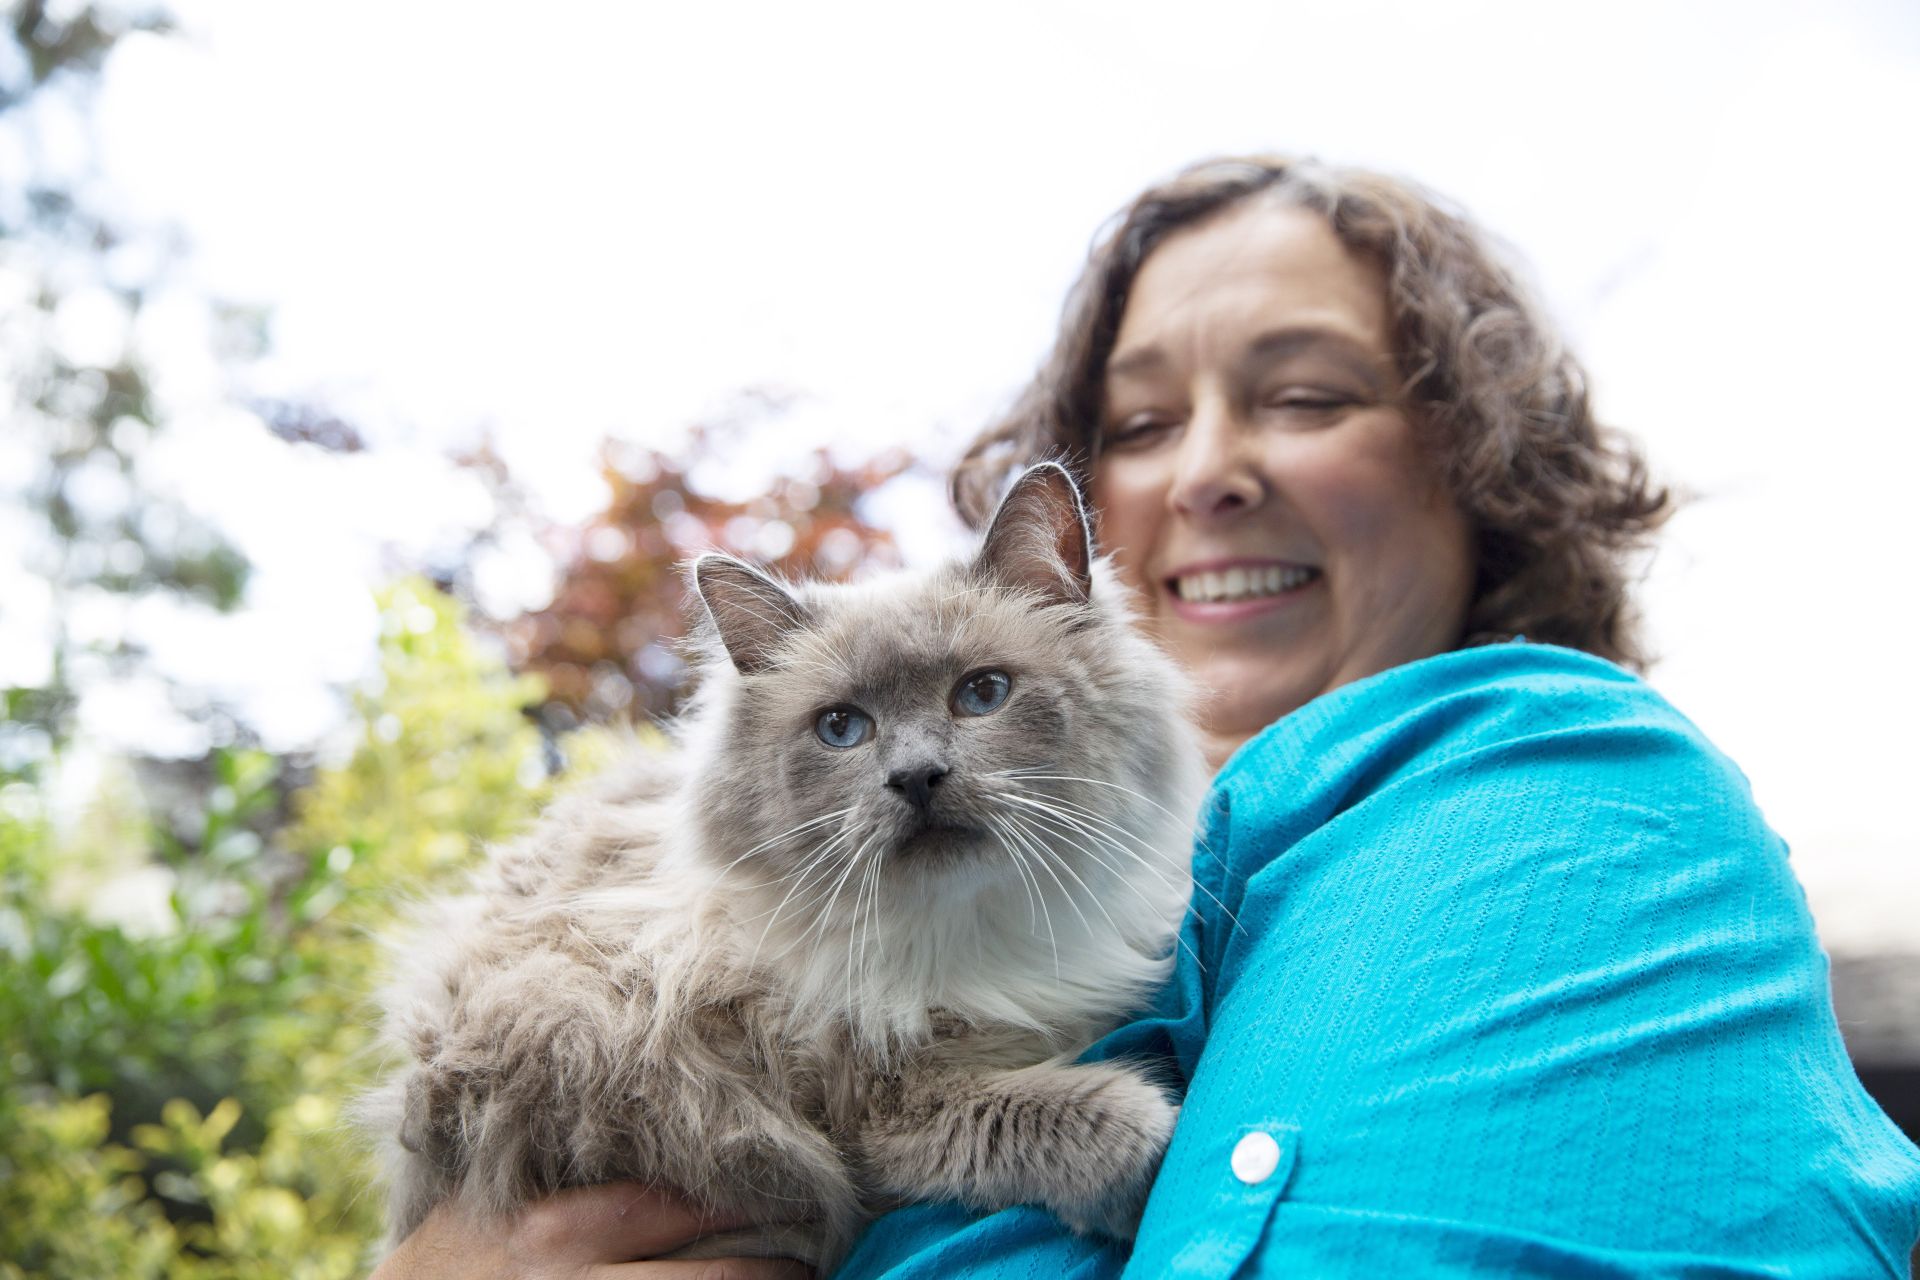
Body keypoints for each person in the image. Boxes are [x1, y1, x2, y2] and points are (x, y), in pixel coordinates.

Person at [373, 156, 1920, 1278]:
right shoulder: (1113, 906)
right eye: (1139, 424)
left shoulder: (1546, 781)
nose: (1205, 474)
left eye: (1308, 395)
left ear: (1480, 459)